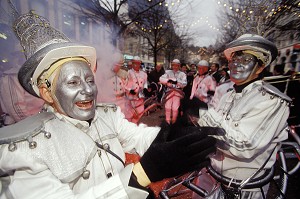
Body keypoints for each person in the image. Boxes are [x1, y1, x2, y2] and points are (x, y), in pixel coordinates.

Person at [0, 11, 217, 199]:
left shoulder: (106, 115)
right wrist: (140, 175)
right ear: (46, 92)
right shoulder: (23, 150)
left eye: (90, 80)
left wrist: (174, 136)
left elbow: (138, 137)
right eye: (73, 82)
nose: (88, 90)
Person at [196, 34, 292, 198]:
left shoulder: (271, 101)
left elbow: (245, 146)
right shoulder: (228, 94)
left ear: (260, 67)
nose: (236, 64)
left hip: (240, 189)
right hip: (209, 175)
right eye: (233, 59)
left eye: (245, 60)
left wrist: (204, 112)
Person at [159, 59, 187, 124]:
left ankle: (174, 122)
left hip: (177, 93)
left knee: (175, 108)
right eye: (174, 65)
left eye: (177, 65)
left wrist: (176, 82)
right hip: (169, 92)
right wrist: (168, 80)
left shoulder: (182, 74)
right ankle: (167, 122)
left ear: (179, 66)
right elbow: (161, 78)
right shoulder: (168, 72)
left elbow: (184, 83)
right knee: (167, 107)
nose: (175, 67)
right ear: (172, 65)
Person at [124, 56, 148, 123]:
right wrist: (129, 90)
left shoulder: (144, 74)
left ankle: (135, 128)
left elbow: (145, 83)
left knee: (139, 114)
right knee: (129, 116)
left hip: (140, 99)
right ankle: (129, 130)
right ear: (132, 63)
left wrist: (145, 89)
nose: (136, 65)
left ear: (140, 64)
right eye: (134, 63)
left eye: (138, 63)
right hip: (131, 99)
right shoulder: (128, 73)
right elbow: (123, 85)